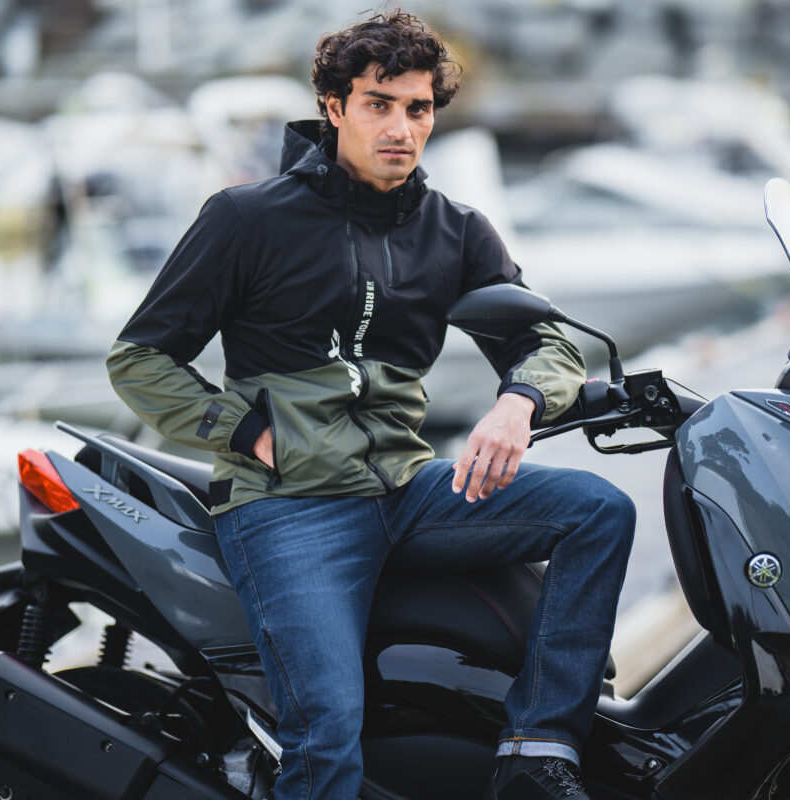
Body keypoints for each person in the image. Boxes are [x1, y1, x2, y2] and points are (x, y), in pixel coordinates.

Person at [107, 9, 635, 799]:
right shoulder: (247, 217)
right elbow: (140, 359)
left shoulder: (456, 230)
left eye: (418, 108)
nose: (400, 128)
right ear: (334, 107)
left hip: (409, 490)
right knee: (325, 734)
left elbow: (547, 342)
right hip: (290, 504)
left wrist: (518, 403)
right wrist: (244, 430)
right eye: (378, 104)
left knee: (598, 510)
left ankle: (537, 747)